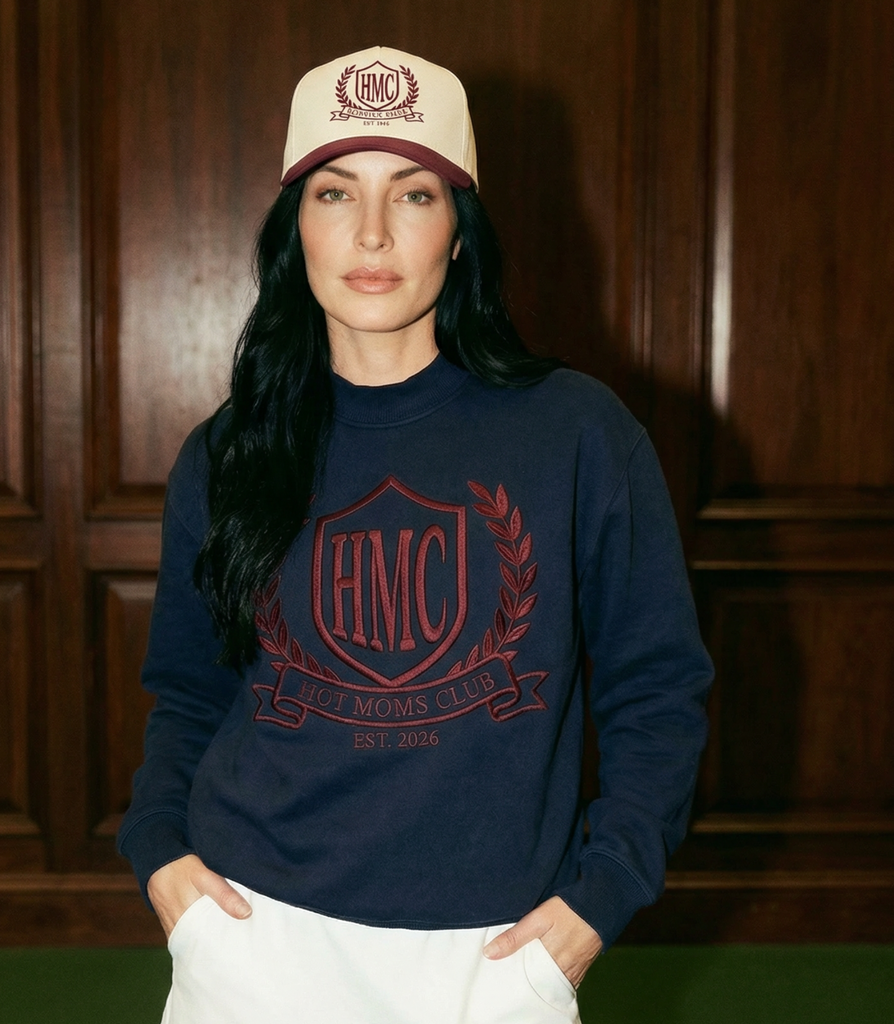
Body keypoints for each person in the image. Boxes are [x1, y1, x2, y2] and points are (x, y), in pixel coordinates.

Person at [118, 46, 713, 1024]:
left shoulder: (575, 432)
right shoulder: (229, 451)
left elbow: (659, 691)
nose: (371, 231)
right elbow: (187, 693)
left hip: (492, 960)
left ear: (460, 230)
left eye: (415, 194)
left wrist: (595, 901)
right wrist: (163, 859)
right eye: (333, 192)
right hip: (250, 939)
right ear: (292, 228)